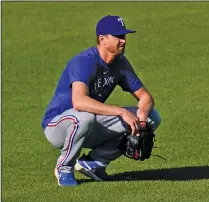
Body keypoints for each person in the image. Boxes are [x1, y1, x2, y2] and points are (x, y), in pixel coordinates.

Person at [42, 15, 161, 187]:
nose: (123, 41)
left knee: (152, 117)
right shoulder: (84, 61)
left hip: (87, 125)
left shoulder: (120, 63)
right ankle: (64, 168)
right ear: (102, 39)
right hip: (57, 126)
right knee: (85, 117)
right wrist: (121, 111)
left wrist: (142, 116)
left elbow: (145, 97)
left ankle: (93, 163)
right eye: (118, 36)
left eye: (124, 36)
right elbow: (79, 102)